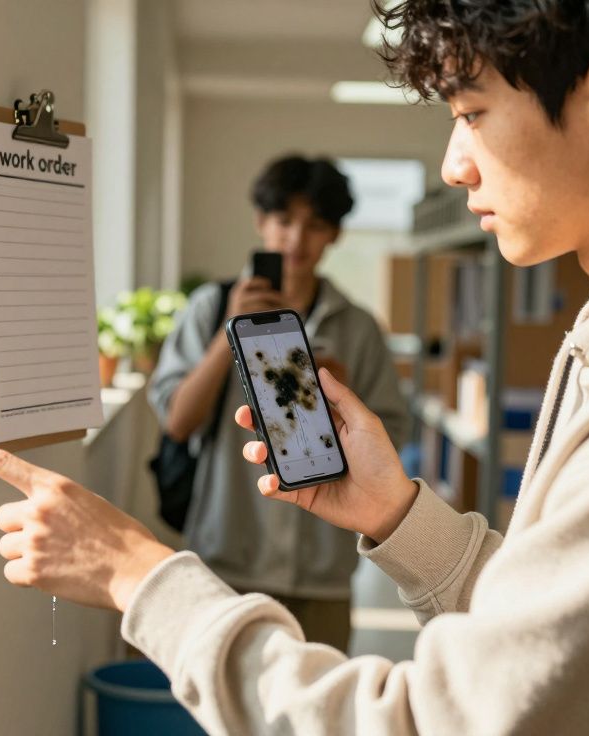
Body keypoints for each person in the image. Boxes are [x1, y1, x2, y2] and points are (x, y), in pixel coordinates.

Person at [0, 0, 589, 732]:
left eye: (472, 114)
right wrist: (397, 515)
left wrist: (138, 576)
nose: (454, 165)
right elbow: (573, 647)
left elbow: (435, 724)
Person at [146, 154, 412, 651]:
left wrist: (341, 401)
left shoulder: (356, 328)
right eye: (284, 220)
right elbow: (177, 422)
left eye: (315, 225)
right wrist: (228, 334)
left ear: (335, 234)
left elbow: (391, 439)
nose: (296, 239)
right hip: (225, 557)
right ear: (260, 222)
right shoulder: (209, 307)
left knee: (320, 698)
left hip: (321, 569)